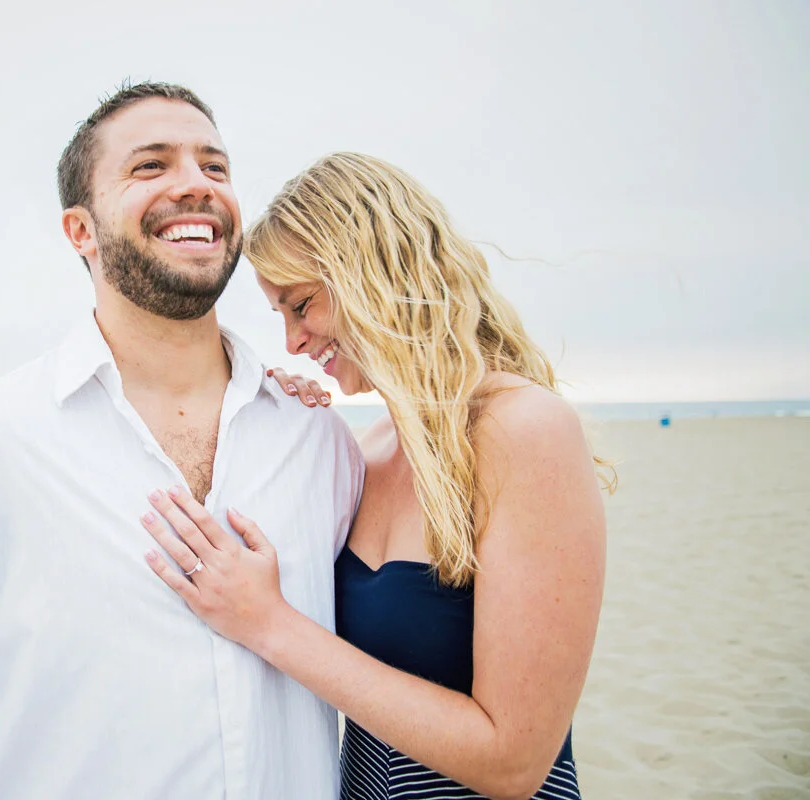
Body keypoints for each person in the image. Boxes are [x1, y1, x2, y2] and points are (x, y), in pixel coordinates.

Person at [0, 84, 364, 799]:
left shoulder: (318, 439)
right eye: (151, 165)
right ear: (80, 231)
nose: (196, 184)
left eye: (215, 166)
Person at [140, 152, 613, 800]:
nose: (293, 341)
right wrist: (279, 420)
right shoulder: (366, 452)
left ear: (373, 272)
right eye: (280, 316)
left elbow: (514, 762)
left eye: (301, 304)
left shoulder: (525, 430)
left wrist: (269, 624)